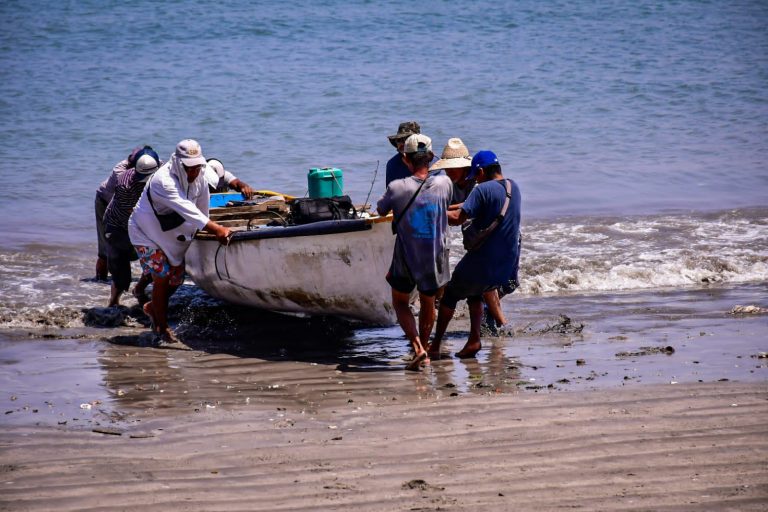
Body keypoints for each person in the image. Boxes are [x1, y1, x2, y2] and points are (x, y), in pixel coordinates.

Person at [128, 139, 231, 346]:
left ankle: (153, 307)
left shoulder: (201, 175)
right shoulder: (163, 181)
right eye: (188, 168)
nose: (193, 172)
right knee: (162, 275)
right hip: (144, 232)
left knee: (176, 279)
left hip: (170, 231)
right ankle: (162, 327)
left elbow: (202, 209)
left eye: (196, 167)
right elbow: (188, 209)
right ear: (178, 162)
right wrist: (217, 229)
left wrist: (208, 228)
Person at [428, 150, 521, 360]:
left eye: (475, 176)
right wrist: (445, 206)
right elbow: (469, 206)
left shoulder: (482, 190)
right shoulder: (512, 187)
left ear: (480, 172)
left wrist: (430, 211)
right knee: (475, 292)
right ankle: (473, 340)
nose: (475, 180)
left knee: (450, 295)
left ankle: (435, 345)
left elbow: (457, 218)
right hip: (505, 265)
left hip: (483, 261)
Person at [377, 134, 453, 370]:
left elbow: (381, 210)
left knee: (400, 302)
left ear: (405, 159)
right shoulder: (445, 183)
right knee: (428, 302)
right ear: (431, 157)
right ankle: (426, 348)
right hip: (435, 252)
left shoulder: (397, 187)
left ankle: (417, 347)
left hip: (406, 254)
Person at [431, 138, 507, 332]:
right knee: (442, 263)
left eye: (452, 169)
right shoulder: (446, 182)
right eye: (446, 169)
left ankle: (499, 322)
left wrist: (438, 210)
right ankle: (498, 323)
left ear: (465, 168)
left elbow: (463, 210)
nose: (448, 173)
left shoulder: (479, 183)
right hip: (468, 229)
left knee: (482, 281)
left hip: (484, 231)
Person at [102, 153, 161, 307]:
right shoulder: (125, 185)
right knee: (120, 271)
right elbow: (136, 213)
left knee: (155, 263)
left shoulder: (161, 171)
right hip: (119, 226)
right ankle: (113, 302)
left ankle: (139, 291)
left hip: (145, 224)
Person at [94, 146, 149, 280]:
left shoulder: (150, 165)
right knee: (105, 249)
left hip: (128, 206)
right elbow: (128, 204)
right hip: (105, 203)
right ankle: (101, 281)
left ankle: (124, 278)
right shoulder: (121, 173)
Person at [385, 121, 421, 187]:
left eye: (407, 140)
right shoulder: (392, 164)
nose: (402, 144)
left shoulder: (430, 161)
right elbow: (390, 191)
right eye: (399, 140)